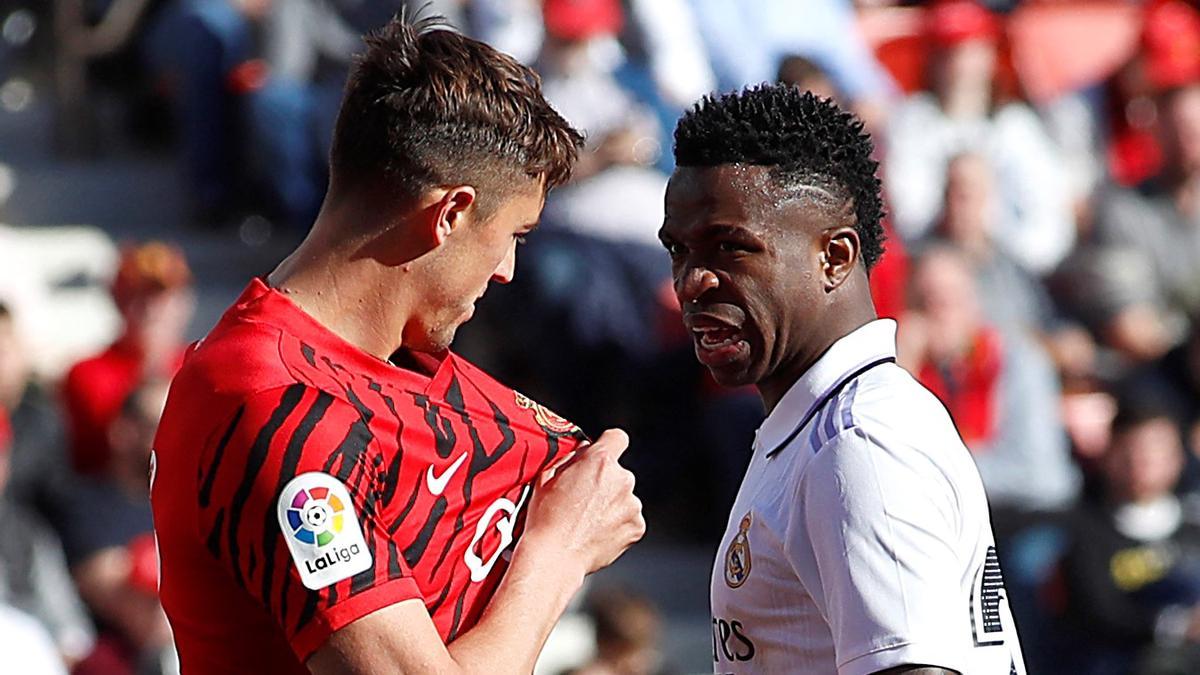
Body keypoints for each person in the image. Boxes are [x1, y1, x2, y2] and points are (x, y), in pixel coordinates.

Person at [151, 14, 645, 675]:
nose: (507, 272)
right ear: (449, 215)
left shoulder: (400, 363)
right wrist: (559, 552)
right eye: (514, 236)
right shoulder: (277, 405)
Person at [658, 85, 1025, 673]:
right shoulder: (818, 426)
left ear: (834, 256)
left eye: (729, 247)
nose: (692, 280)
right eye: (677, 250)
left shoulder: (860, 442)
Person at [62, 241, 193, 476]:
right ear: (118, 301)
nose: (151, 310)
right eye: (137, 297)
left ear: (183, 303)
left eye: (161, 297)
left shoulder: (200, 366)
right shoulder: (88, 374)